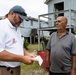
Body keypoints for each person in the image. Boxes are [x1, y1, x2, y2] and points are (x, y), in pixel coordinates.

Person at [0, 5, 38, 75]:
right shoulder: (2, 26)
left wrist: (28, 54)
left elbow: (18, 46)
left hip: (16, 68)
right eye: (20, 17)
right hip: (6, 69)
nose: (21, 21)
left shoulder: (16, 28)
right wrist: (22, 58)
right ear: (12, 13)